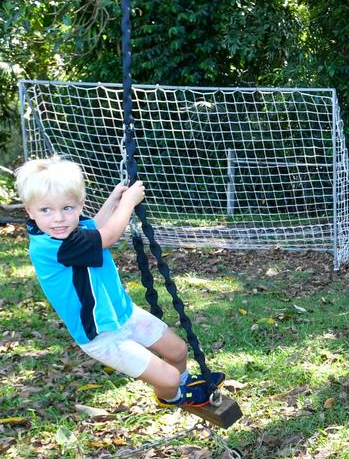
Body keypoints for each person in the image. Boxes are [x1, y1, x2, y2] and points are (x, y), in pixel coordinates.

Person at [16, 156, 209, 407]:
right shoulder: (54, 245)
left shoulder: (68, 230)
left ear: (79, 204)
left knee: (178, 350)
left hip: (124, 313)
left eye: (67, 208)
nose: (58, 219)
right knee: (168, 378)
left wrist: (115, 198)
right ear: (29, 211)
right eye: (46, 210)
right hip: (102, 335)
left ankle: (183, 383)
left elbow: (95, 225)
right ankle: (173, 397)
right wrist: (128, 203)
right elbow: (107, 236)